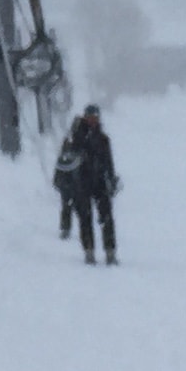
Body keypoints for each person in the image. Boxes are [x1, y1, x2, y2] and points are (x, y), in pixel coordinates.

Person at [67, 104, 117, 265]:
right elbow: (69, 159)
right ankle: (89, 250)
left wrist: (111, 179)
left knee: (107, 217)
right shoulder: (77, 137)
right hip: (82, 182)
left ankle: (110, 251)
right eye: (90, 118)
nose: (93, 121)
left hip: (100, 183)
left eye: (95, 118)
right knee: (85, 217)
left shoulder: (103, 140)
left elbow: (109, 162)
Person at [52, 116, 85, 240]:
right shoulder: (74, 142)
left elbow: (61, 160)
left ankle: (67, 228)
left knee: (68, 205)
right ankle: (72, 229)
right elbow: (62, 160)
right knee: (76, 206)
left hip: (68, 179)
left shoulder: (69, 141)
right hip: (72, 179)